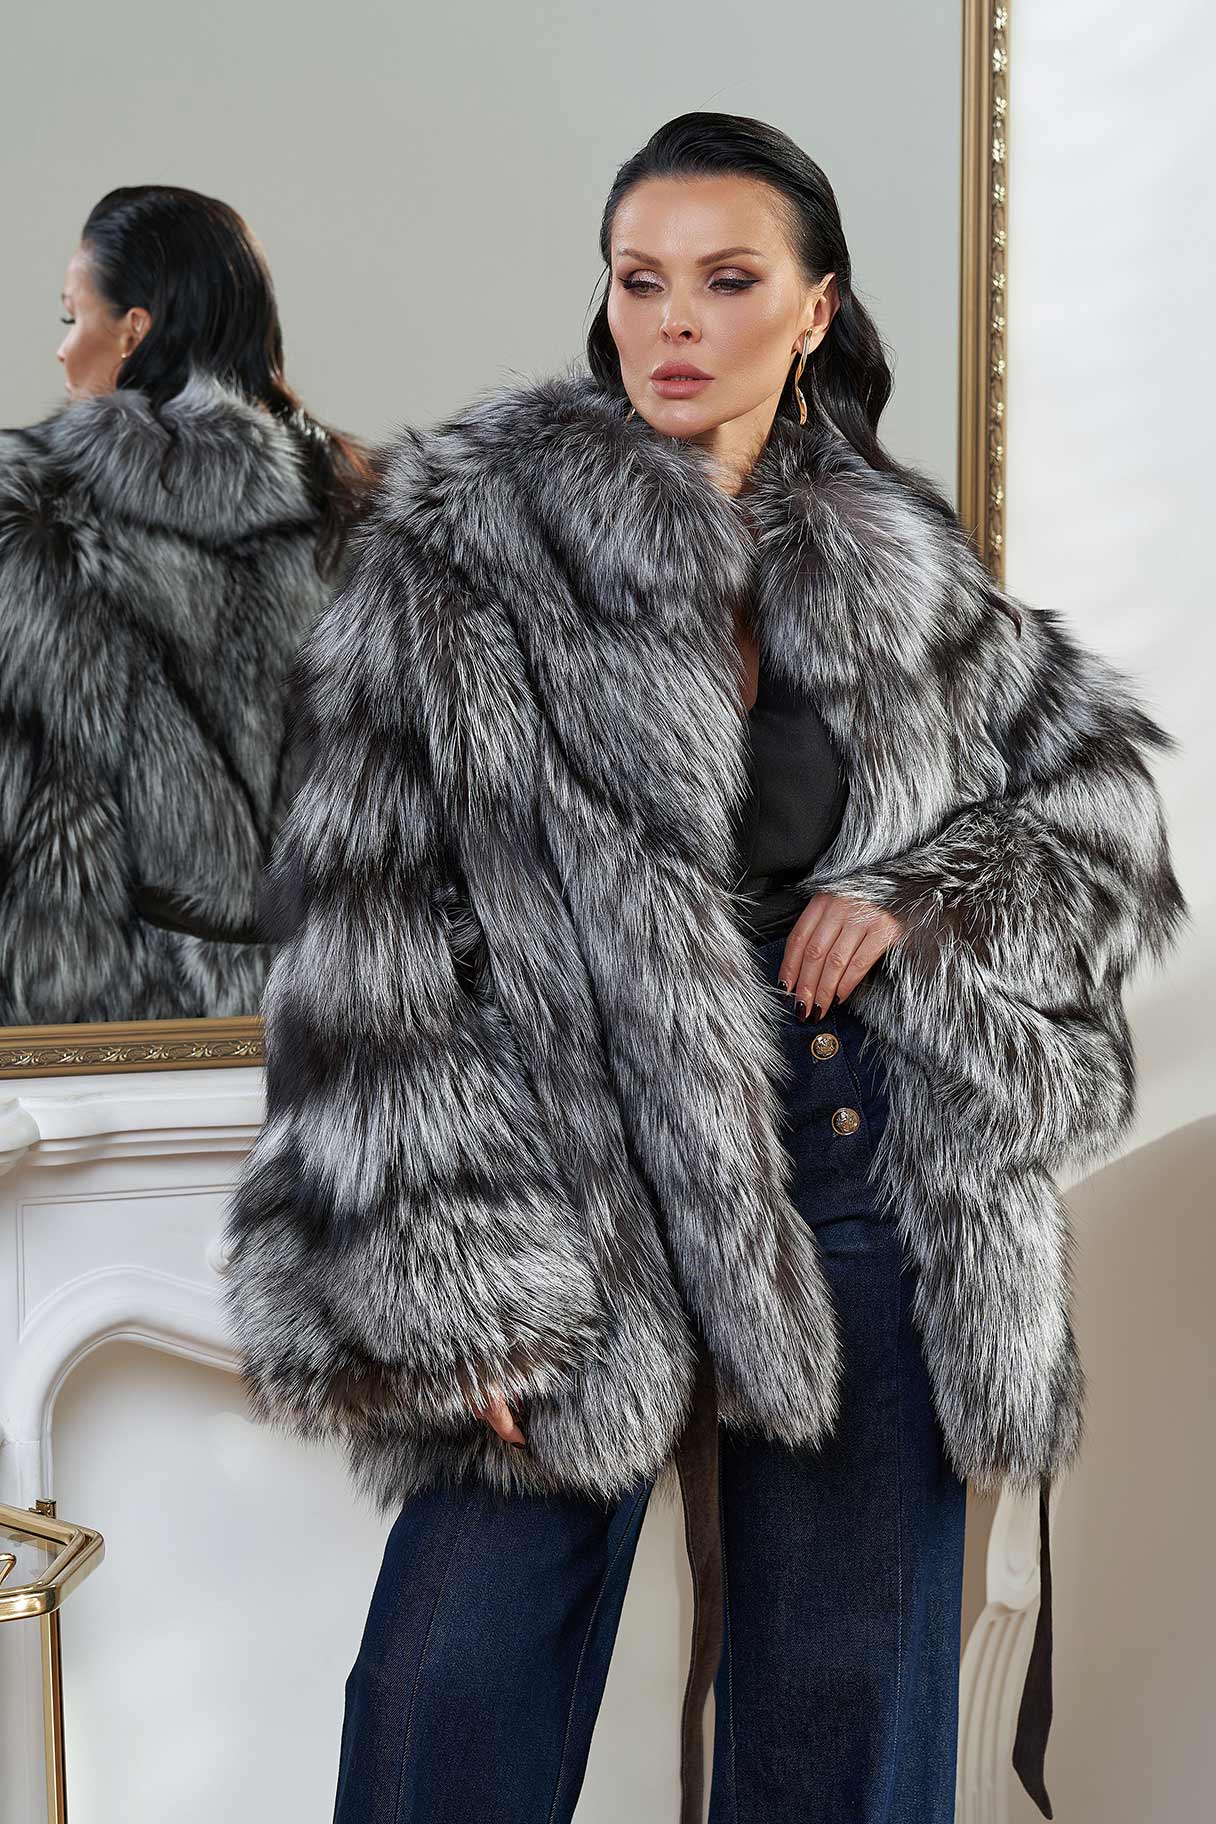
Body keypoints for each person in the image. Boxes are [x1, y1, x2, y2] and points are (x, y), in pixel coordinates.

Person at [220, 113, 1186, 1823]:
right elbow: (364, 924)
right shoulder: (469, 541)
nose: (671, 322)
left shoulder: (891, 559)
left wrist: (923, 892)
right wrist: (452, 1282)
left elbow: (1099, 801)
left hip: (849, 1156)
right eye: (639, 279)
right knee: (445, 1685)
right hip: (572, 1174)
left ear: (813, 310)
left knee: (842, 1710)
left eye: (727, 281)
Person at [0, 184, 376, 1027]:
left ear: (133, 329)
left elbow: (36, 827)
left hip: (118, 1039)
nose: (62, 350)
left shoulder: (38, 518)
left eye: (72, 316)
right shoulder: (374, 515)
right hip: (341, 1032)